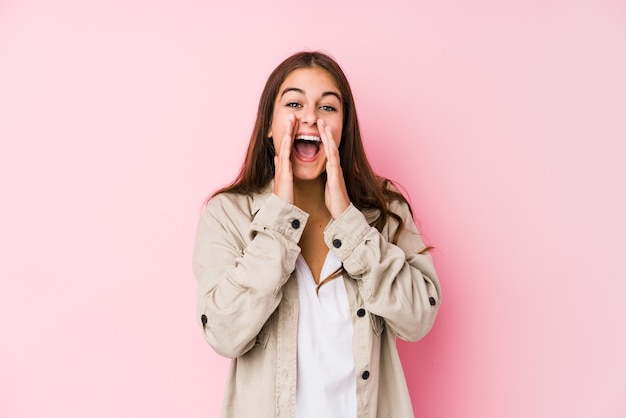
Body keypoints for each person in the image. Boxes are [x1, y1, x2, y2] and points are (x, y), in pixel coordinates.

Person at [192, 51, 441, 418]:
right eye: (294, 103)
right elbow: (224, 333)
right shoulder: (228, 214)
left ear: (344, 128)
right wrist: (278, 220)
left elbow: (418, 319)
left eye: (328, 107)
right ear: (269, 125)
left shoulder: (384, 212)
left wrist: (349, 222)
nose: (310, 116)